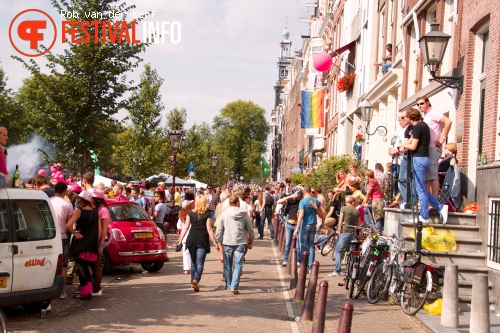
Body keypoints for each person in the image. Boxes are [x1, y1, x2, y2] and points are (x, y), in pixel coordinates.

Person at [398, 108, 448, 224]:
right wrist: (403, 145)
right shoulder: (420, 126)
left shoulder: (419, 127)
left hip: (419, 159)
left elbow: (413, 146)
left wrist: (401, 145)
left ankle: (424, 216)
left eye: (404, 117)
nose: (404, 120)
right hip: (419, 159)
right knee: (420, 188)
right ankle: (440, 207)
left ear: (410, 117)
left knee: (420, 189)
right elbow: (410, 141)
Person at [177, 195, 219, 292]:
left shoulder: (190, 214)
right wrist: (215, 242)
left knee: (193, 262)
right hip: (202, 239)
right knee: (200, 263)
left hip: (191, 239)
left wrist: (180, 239)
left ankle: (192, 281)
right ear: (204, 203)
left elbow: (186, 227)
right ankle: (196, 279)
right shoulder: (207, 215)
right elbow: (209, 229)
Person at [215, 195, 254, 294]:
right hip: (240, 242)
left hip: (227, 242)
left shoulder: (224, 214)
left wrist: (218, 241)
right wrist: (251, 239)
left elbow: (219, 229)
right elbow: (250, 229)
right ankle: (234, 285)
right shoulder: (244, 214)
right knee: (238, 265)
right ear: (238, 203)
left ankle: (229, 285)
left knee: (228, 264)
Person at [66, 190, 100, 300]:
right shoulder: (95, 212)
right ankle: (89, 291)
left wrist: (75, 233)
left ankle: (84, 293)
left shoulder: (79, 211)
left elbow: (68, 225)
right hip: (91, 244)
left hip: (81, 243)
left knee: (82, 269)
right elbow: (99, 230)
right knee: (87, 268)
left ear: (81, 200)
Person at [417, 96, 453, 198]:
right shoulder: (425, 116)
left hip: (433, 147)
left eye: (422, 103)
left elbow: (448, 121)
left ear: (428, 103)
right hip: (428, 148)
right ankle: (429, 200)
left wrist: (442, 138)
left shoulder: (433, 113)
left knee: (433, 175)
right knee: (427, 177)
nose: (420, 106)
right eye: (418, 104)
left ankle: (435, 201)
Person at [293, 184, 325, 273]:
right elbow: (323, 213)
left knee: (303, 245)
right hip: (313, 224)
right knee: (311, 245)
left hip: (305, 225)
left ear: (303, 192)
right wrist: (322, 222)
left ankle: (304, 266)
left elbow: (301, 215)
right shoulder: (315, 201)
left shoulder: (302, 202)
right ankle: (311, 267)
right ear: (310, 191)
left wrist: (297, 228)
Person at [50, 182, 74, 299]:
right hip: (63, 237)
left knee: (51, 264)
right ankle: (62, 291)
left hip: (50, 237)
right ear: (64, 191)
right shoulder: (68, 204)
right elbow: (70, 223)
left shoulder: (48, 201)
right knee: (64, 265)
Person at [327, 195, 361, 277]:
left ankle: (337, 270)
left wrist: (339, 230)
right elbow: (359, 225)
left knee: (338, 250)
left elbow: (340, 220)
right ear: (352, 202)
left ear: (345, 202)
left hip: (345, 232)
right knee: (350, 252)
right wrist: (359, 233)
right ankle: (350, 270)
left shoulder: (344, 208)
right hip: (353, 233)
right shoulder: (357, 211)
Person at [89, 189, 110, 296]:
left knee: (96, 265)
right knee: (93, 265)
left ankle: (96, 289)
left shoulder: (103, 210)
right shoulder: (98, 209)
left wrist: (100, 243)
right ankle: (95, 286)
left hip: (101, 239)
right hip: (96, 239)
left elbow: (104, 228)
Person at [277, 187, 302, 266]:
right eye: (296, 193)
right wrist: (290, 196)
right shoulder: (291, 200)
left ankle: (298, 260)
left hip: (297, 225)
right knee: (288, 243)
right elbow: (279, 201)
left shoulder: (301, 202)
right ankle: (286, 260)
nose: (297, 195)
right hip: (289, 225)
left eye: (299, 194)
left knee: (298, 244)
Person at [390, 111, 410, 202]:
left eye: (402, 118)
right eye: (399, 119)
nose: (400, 121)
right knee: (396, 183)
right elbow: (396, 144)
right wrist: (391, 150)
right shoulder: (400, 131)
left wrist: (397, 150)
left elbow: (405, 145)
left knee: (402, 181)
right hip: (396, 161)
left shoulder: (409, 129)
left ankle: (406, 201)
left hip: (403, 160)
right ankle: (399, 200)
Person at [177, 200, 192, 275]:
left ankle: (186, 269)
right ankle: (194, 266)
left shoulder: (181, 215)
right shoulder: (193, 213)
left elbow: (179, 227)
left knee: (186, 253)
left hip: (185, 236)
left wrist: (180, 237)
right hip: (193, 235)